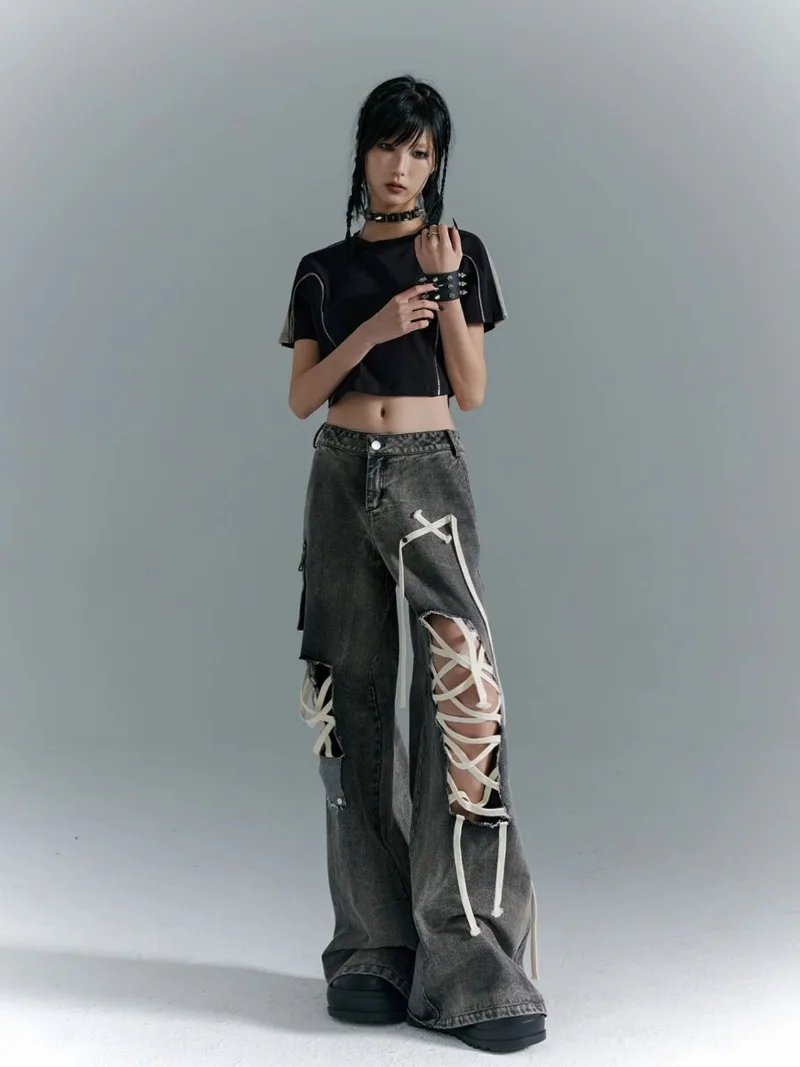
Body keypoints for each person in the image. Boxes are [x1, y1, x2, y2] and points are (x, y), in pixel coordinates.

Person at [279, 74, 547, 1054]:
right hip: (339, 470)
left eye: (421, 152)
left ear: (437, 164)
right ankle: (371, 944)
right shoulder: (320, 268)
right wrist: (375, 325)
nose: (402, 167)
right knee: (344, 698)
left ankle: (471, 959)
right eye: (388, 147)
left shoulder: (459, 254)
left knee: (461, 703)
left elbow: (470, 389)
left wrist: (442, 291)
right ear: (362, 153)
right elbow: (302, 395)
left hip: (428, 472)